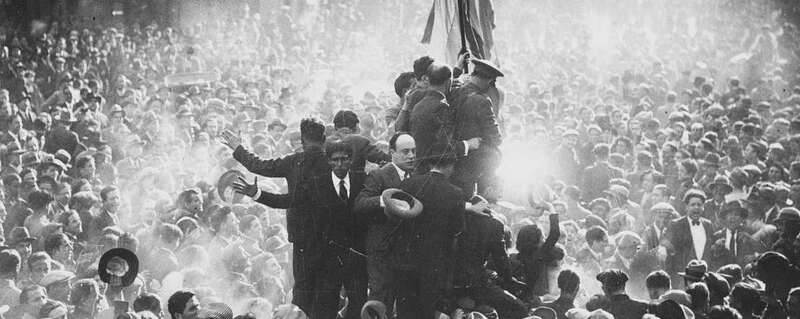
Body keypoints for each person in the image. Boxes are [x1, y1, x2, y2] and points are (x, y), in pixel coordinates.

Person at [222, 118, 330, 316]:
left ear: (302, 140)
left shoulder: (294, 162)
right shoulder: (335, 161)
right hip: (332, 239)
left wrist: (238, 148)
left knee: (303, 292)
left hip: (302, 238)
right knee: (328, 293)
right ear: (324, 139)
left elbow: (258, 165)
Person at [387, 145, 465, 319]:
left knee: (405, 310)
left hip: (405, 260)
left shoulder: (408, 184)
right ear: (450, 165)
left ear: (429, 163)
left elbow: (396, 218)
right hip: (434, 263)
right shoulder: (456, 193)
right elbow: (457, 229)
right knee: (426, 311)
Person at [354, 132, 416, 313]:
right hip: (382, 250)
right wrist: (385, 201)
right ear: (392, 153)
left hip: (407, 251)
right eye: (405, 151)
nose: (411, 156)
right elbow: (360, 203)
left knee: (406, 300)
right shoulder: (379, 175)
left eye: (413, 151)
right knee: (380, 298)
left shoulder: (418, 176)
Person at [450, 59, 504, 198]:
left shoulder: (454, 92)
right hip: (475, 162)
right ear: (487, 80)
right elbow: (495, 138)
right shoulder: (482, 100)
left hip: (453, 158)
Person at [661, 189, 715, 286]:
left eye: (699, 205)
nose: (696, 207)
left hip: (703, 278)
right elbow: (666, 245)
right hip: (682, 278)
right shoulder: (676, 225)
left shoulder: (708, 225)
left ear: (703, 207)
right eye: (693, 205)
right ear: (686, 207)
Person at [328, 110, 390, 174]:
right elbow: (386, 160)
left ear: (335, 127)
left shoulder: (325, 142)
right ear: (356, 127)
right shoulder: (360, 141)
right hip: (356, 180)